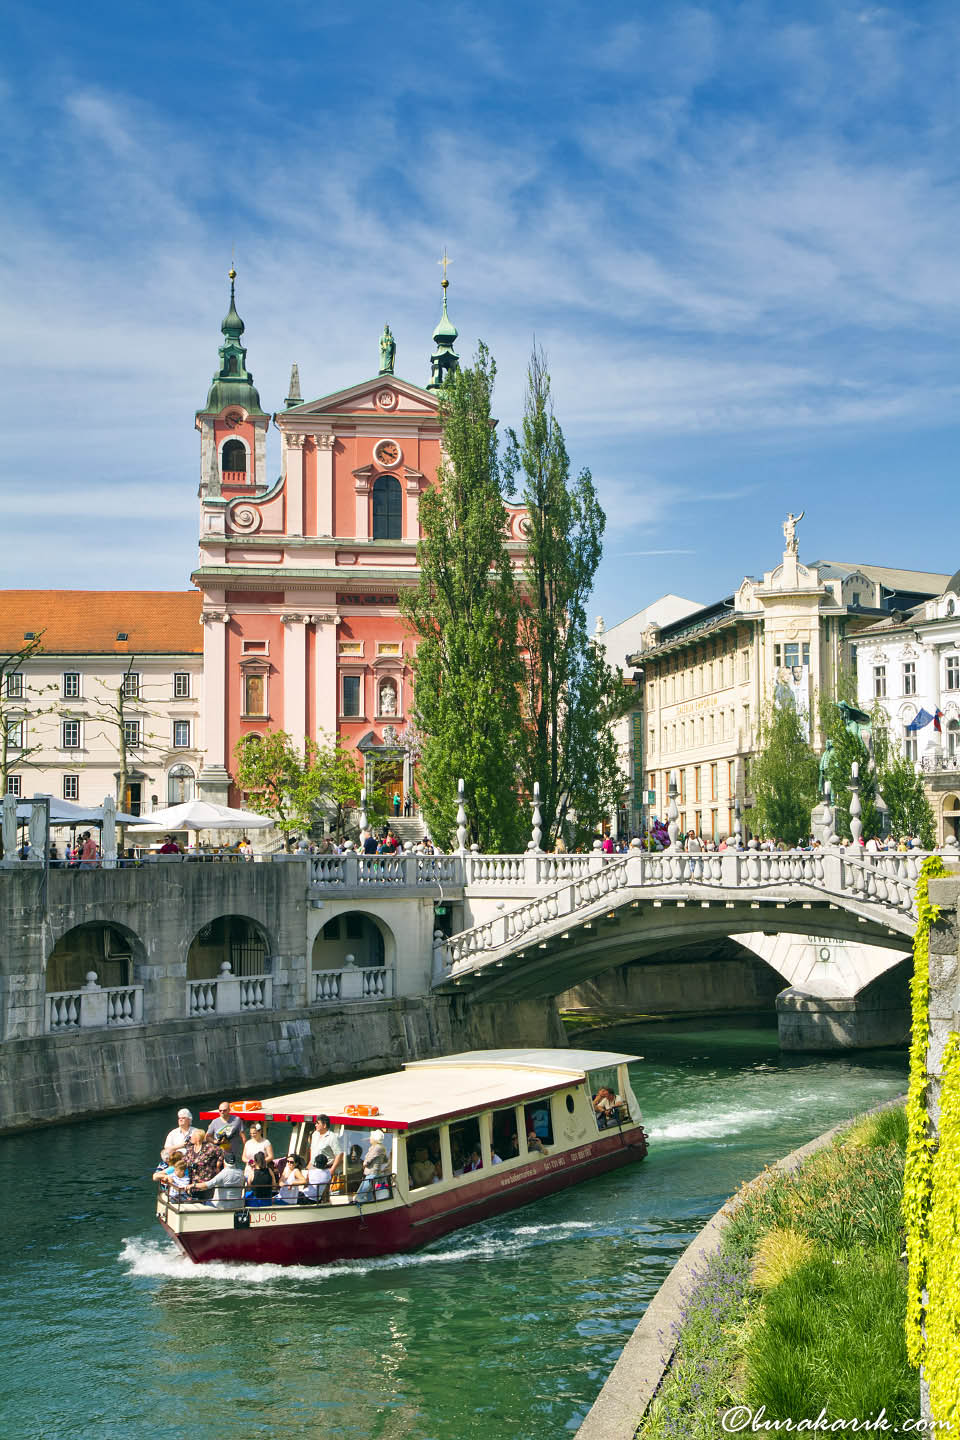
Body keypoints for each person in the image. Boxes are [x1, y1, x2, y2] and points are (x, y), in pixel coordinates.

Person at [192, 1143, 245, 1208]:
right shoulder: (241, 1173)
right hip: (238, 1204)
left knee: (204, 1202)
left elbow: (207, 1185)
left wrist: (192, 1185)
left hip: (221, 1205)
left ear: (224, 1161)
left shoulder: (222, 1174)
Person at [356, 1130, 390, 1201]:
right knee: (369, 1194)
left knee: (360, 1195)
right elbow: (386, 1160)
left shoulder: (377, 1148)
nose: (370, 1138)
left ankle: (361, 1205)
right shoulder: (381, 1147)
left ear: (375, 1139)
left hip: (371, 1173)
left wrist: (364, 1163)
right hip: (376, 1173)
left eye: (371, 1137)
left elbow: (367, 1161)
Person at [309, 1115, 343, 1183]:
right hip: (313, 1168)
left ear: (324, 1125)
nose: (315, 1125)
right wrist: (310, 1163)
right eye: (315, 1123)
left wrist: (332, 1170)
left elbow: (339, 1154)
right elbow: (312, 1149)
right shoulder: (314, 1134)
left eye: (317, 1123)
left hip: (326, 1170)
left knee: (322, 1191)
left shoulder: (332, 1137)